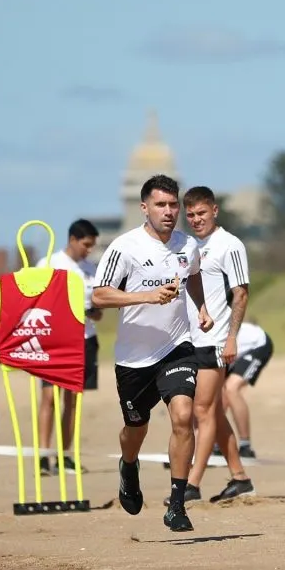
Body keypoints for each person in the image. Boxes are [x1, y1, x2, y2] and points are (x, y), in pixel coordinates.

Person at [91, 174, 213, 533]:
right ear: (144, 208)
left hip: (176, 346)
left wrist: (202, 307)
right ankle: (129, 466)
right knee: (135, 429)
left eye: (174, 205)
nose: (169, 211)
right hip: (133, 358)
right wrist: (145, 296)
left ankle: (176, 505)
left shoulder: (187, 246)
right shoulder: (124, 247)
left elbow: (192, 275)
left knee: (183, 413)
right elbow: (100, 296)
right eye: (161, 205)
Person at [172, 186, 254, 505]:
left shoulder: (229, 245)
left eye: (201, 213)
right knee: (213, 412)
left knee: (201, 410)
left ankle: (191, 483)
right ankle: (239, 477)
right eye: (190, 214)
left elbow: (241, 293)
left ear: (214, 211)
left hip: (216, 340)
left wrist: (231, 337)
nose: (196, 219)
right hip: (189, 338)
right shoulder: (189, 246)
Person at [34, 219, 103, 476]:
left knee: (72, 400)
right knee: (49, 397)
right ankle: (43, 456)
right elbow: (36, 300)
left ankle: (65, 456)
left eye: (92, 246)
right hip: (54, 338)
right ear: (73, 239)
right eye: (86, 245)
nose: (88, 250)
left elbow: (98, 309)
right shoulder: (49, 264)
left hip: (84, 337)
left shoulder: (91, 269)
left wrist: (92, 311)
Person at [222, 321, 274, 460]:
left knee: (231, 388)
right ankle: (216, 443)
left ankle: (245, 447)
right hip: (231, 354)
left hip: (257, 345)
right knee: (217, 394)